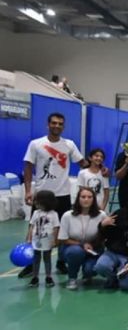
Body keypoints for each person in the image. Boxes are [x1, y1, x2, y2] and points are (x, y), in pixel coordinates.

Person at [22, 112, 86, 277]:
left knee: (63, 231)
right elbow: (28, 167)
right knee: (36, 229)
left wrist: (100, 169)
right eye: (54, 123)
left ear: (63, 126)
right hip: (42, 195)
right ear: (48, 124)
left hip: (63, 195)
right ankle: (30, 263)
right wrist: (28, 190)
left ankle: (61, 262)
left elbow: (83, 163)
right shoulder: (36, 144)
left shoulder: (69, 144)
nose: (57, 126)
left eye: (60, 124)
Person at [59, 187, 107, 290]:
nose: (86, 199)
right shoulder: (67, 216)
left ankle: (87, 274)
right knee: (75, 252)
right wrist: (82, 244)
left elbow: (105, 237)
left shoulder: (101, 215)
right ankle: (72, 278)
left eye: (89, 197)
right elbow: (62, 239)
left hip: (94, 249)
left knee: (90, 269)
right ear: (78, 198)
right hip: (72, 247)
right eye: (83, 197)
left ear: (94, 199)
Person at [26, 190, 60, 288]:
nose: (35, 203)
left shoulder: (54, 214)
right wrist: (29, 238)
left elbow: (56, 228)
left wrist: (54, 240)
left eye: (37, 201)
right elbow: (31, 226)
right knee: (36, 259)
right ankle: (35, 277)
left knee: (47, 258)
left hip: (47, 240)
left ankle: (48, 277)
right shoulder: (36, 213)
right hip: (36, 239)